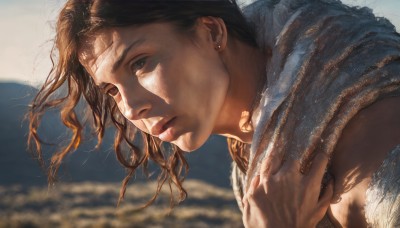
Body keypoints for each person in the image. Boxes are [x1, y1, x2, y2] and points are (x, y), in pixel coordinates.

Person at [27, 0, 400, 227]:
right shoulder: (253, 147)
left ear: (211, 32)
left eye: (141, 63)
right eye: (111, 90)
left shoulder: (375, 143)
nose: (130, 106)